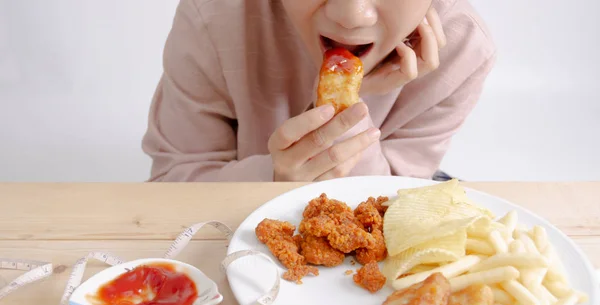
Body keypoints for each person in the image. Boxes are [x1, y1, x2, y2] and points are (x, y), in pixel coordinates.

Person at [141, 0, 495, 182]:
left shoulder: (462, 46)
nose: (351, 16)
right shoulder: (215, 17)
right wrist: (274, 178)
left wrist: (350, 109)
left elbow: (396, 209)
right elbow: (172, 186)